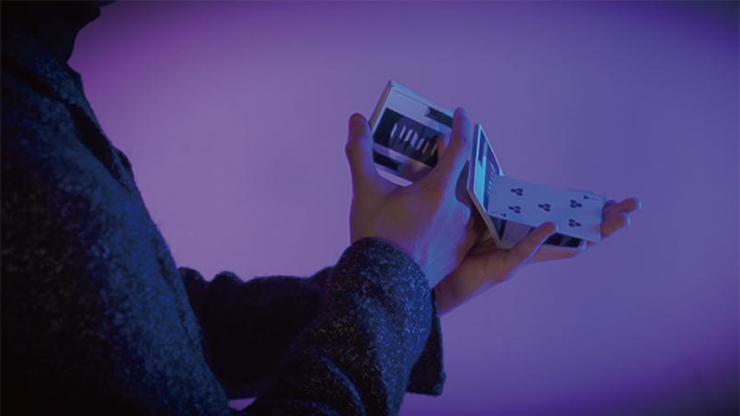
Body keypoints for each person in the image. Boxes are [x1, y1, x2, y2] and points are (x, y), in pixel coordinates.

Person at [0, 2, 640, 415]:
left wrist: (413, 288)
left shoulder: (31, 74)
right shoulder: (21, 150)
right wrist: (392, 276)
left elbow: (162, 326)